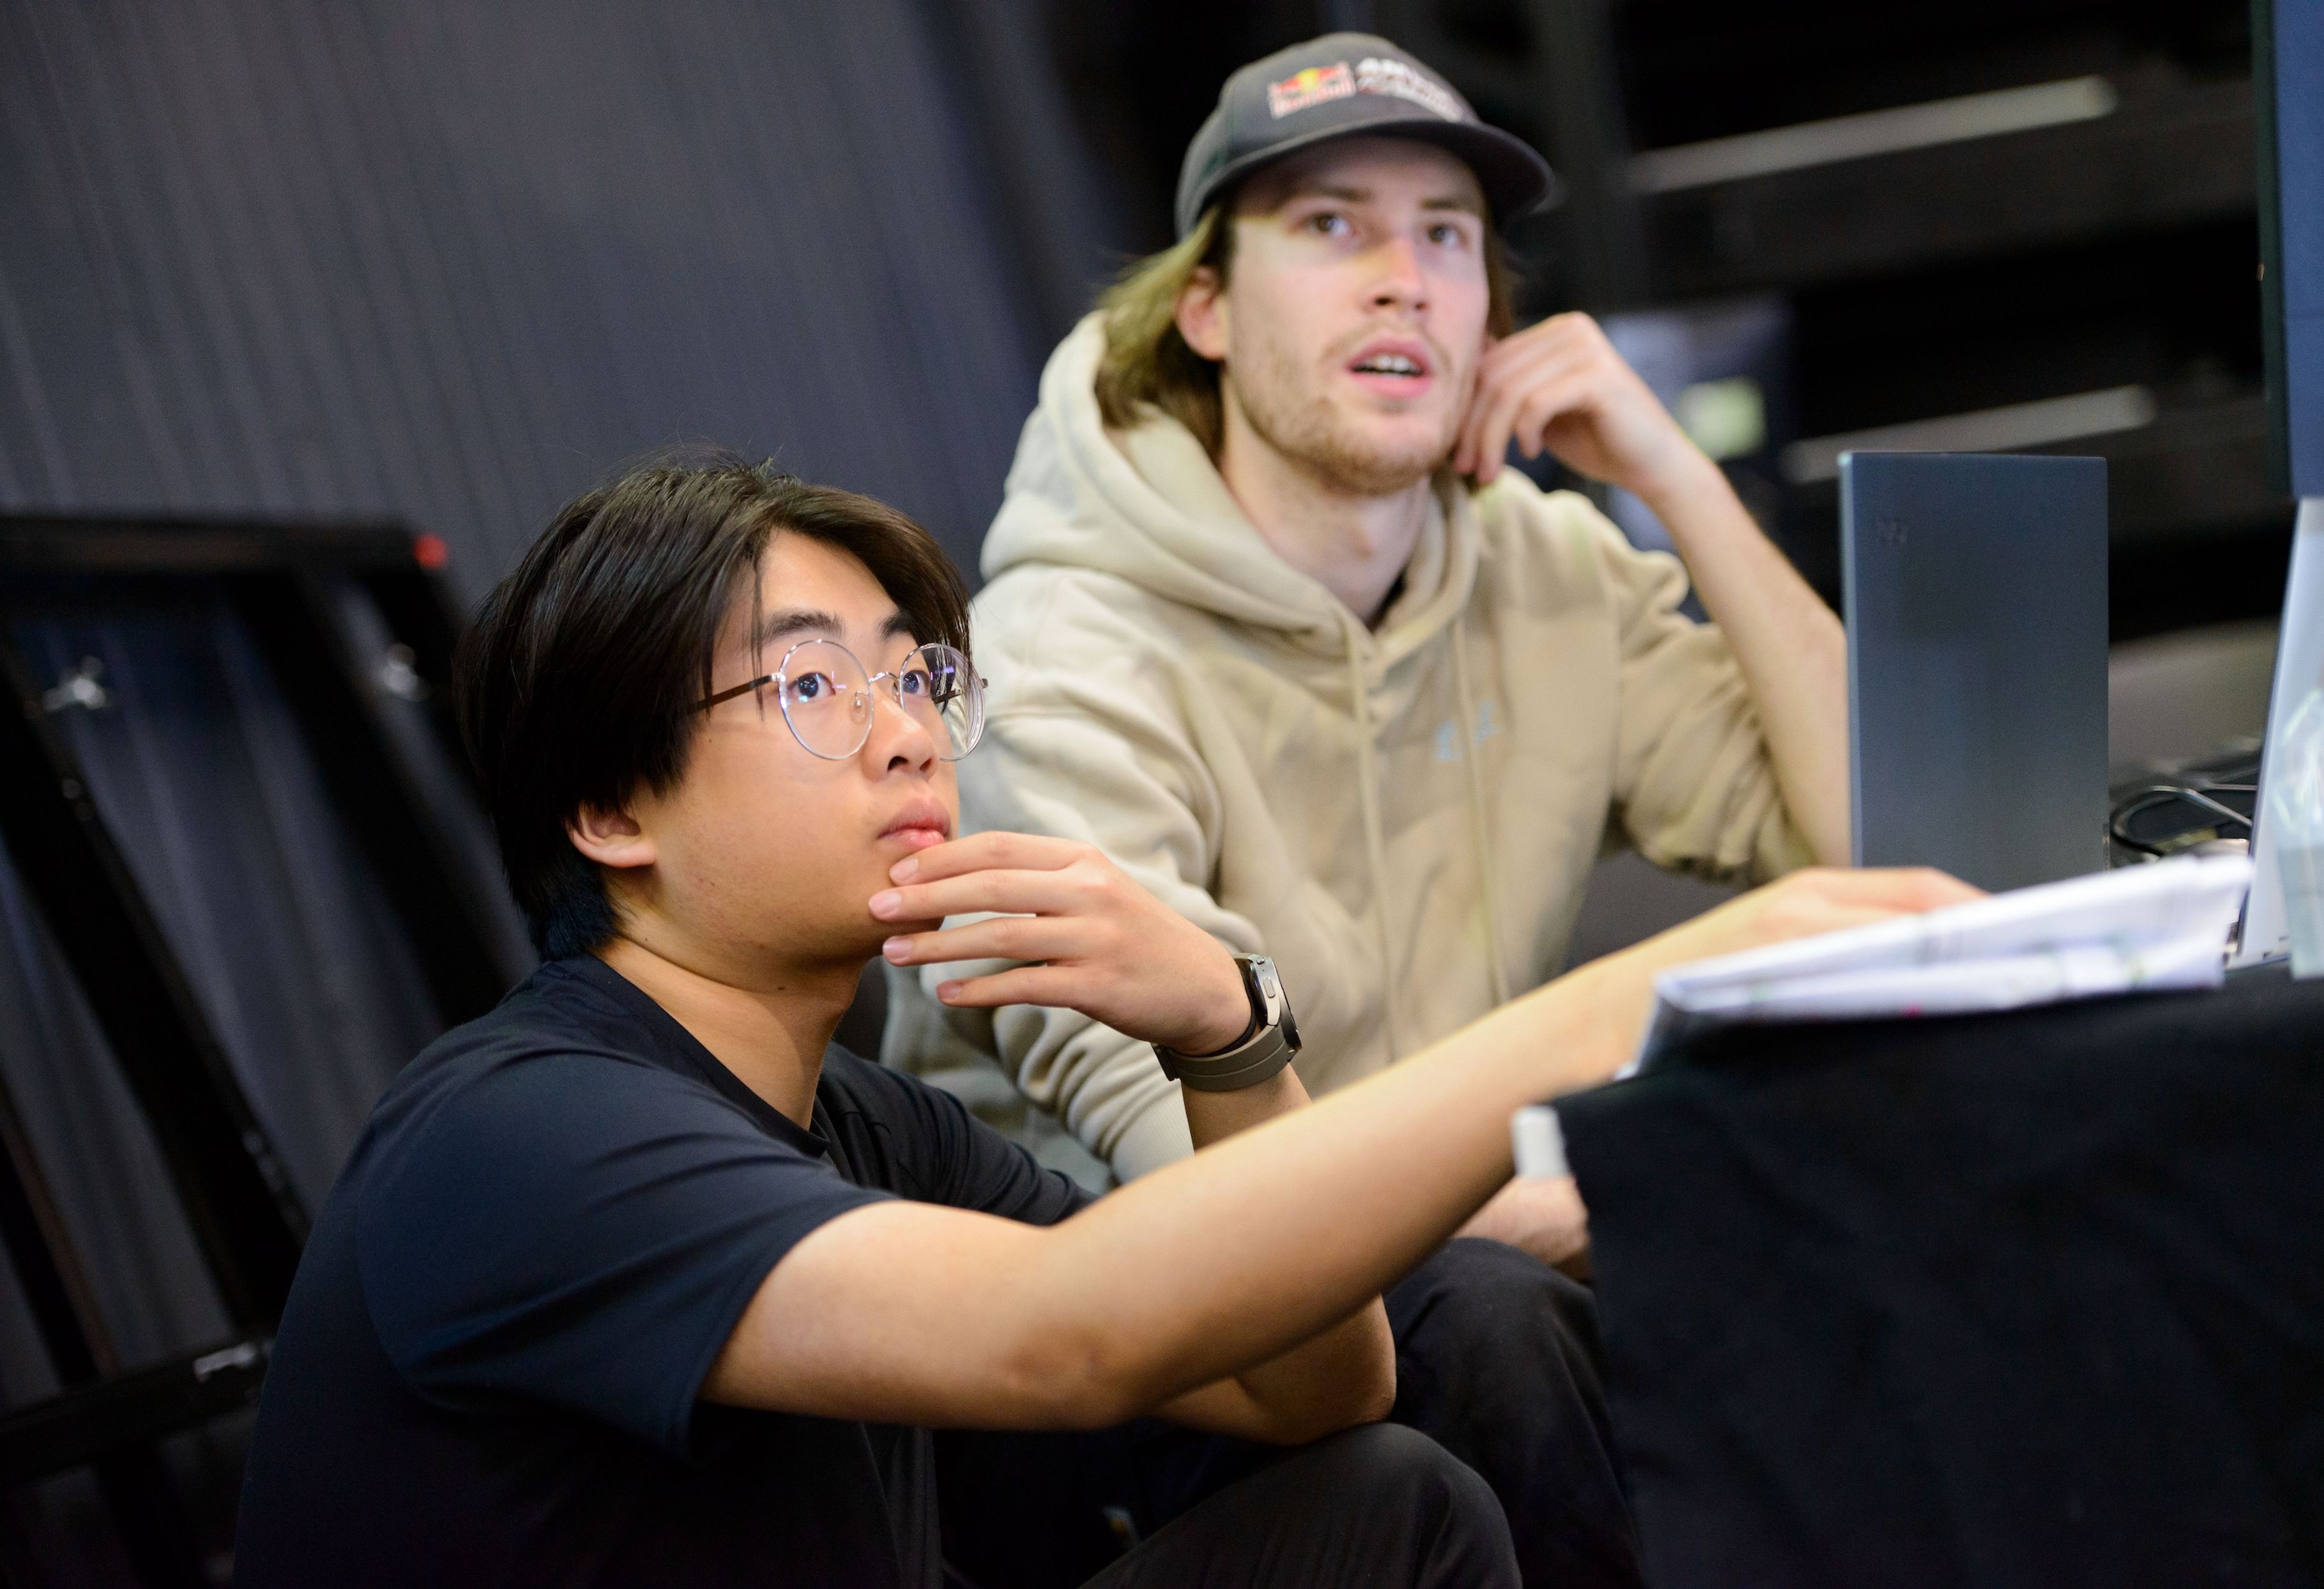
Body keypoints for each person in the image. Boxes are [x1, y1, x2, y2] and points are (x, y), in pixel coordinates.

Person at [232, 458, 1965, 1589]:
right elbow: (1066, 1332)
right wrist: (1617, 1003)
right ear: (615, 810)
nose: (911, 732)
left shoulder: (866, 1120)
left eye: (919, 674)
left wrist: (1227, 1030)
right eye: (815, 685)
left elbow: (1317, 1380)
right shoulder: (520, 1131)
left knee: (1389, 1498)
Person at [883, 32, 1855, 1585]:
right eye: (1334, 226)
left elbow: (1883, 855)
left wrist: (1675, 478)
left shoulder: (1543, 571)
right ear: (1203, 306)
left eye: (1448, 236)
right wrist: (1620, 1187)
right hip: (1138, 1370)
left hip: (1468, 1254)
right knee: (1505, 1318)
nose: (1403, 275)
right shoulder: (1061, 662)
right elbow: (1213, 1216)